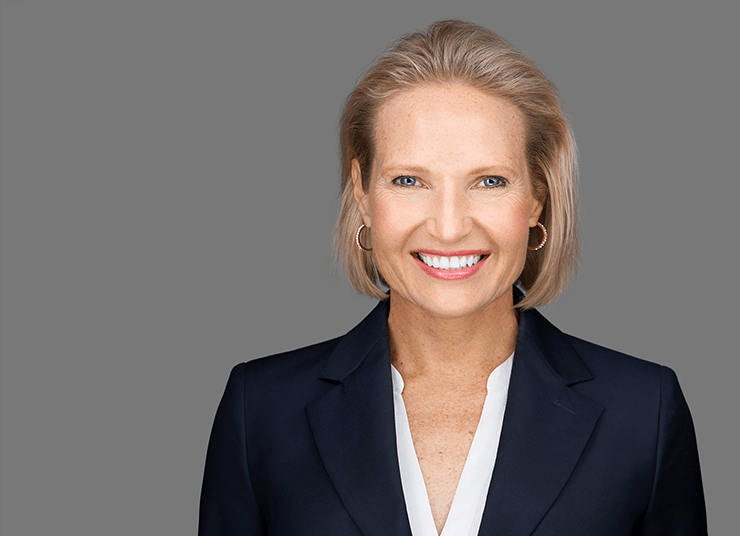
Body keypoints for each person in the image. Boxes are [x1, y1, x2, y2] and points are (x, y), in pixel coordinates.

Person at [198, 20, 707, 536]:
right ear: (361, 193)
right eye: (409, 180)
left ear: (537, 197)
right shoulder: (259, 411)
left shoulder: (644, 414)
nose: (448, 226)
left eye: (489, 181)